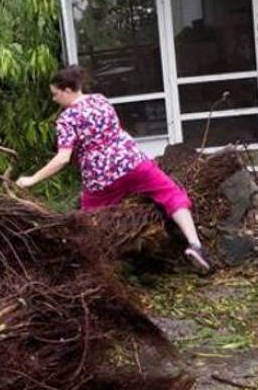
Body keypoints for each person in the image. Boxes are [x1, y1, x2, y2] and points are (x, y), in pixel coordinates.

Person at [16, 65, 212, 273]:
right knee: (170, 192)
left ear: (67, 90)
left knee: (90, 219)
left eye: (56, 94)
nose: (55, 99)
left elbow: (63, 158)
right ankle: (195, 245)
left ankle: (89, 265)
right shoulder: (100, 99)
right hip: (132, 161)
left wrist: (32, 179)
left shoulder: (66, 119)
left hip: (101, 177)